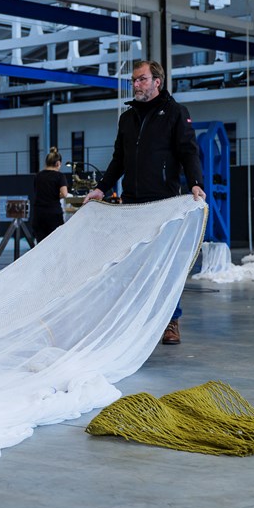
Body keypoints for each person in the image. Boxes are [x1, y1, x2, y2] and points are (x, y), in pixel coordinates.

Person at [84, 59, 205, 345]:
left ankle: (170, 321)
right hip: (132, 204)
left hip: (163, 202)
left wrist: (196, 183)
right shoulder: (127, 118)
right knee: (133, 263)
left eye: (141, 79)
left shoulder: (175, 113)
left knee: (165, 266)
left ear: (156, 82)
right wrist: (102, 188)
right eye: (134, 80)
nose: (136, 84)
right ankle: (133, 318)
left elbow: (189, 152)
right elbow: (119, 160)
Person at [32, 148, 69, 241]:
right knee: (55, 243)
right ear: (58, 163)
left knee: (40, 244)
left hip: (38, 214)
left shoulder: (38, 176)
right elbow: (65, 194)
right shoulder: (60, 176)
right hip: (53, 214)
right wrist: (56, 195)